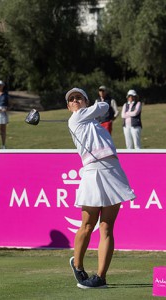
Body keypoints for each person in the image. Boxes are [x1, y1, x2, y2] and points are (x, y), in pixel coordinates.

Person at [66, 88, 136, 289]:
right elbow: (104, 106)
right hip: (92, 171)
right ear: (69, 107)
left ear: (85, 101)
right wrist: (93, 107)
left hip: (112, 171)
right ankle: (78, 265)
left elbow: (101, 111)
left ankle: (100, 277)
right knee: (88, 225)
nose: (76, 100)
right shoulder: (76, 119)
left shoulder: (93, 123)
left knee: (106, 227)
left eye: (79, 97)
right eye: (72, 99)